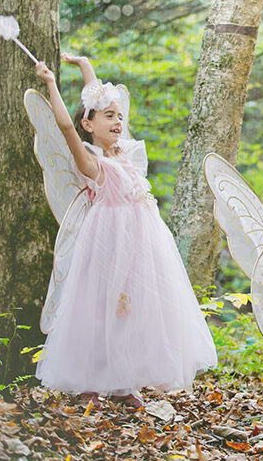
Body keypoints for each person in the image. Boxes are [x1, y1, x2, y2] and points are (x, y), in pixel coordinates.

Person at [32, 53, 216, 407]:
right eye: (109, 116)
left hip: (141, 241)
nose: (118, 121)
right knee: (99, 306)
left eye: (120, 115)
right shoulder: (92, 160)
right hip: (106, 240)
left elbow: (95, 95)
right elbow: (67, 127)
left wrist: (86, 66)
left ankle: (122, 381)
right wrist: (52, 83)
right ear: (89, 125)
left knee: (132, 308)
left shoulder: (126, 152)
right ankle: (90, 382)